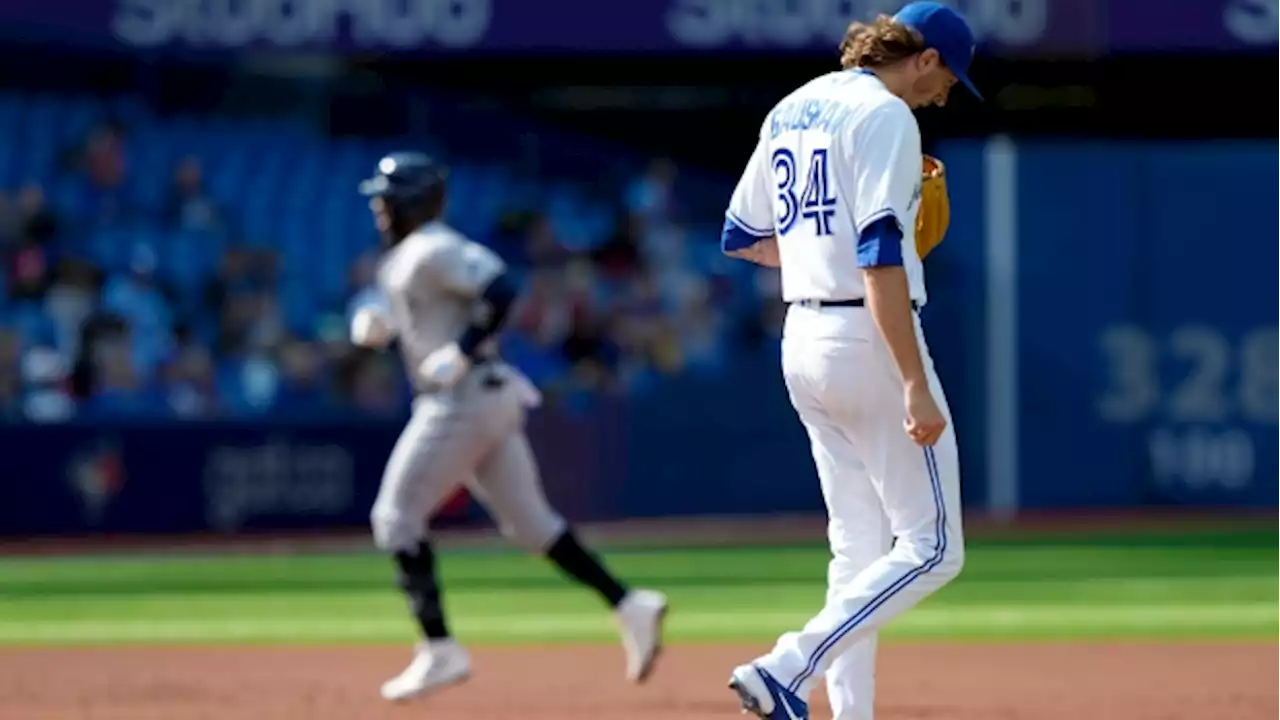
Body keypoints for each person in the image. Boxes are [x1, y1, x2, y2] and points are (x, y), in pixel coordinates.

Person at [717, 4, 977, 719]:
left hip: (802, 340)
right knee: (933, 548)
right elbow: (881, 254)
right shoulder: (887, 115)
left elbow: (741, 236)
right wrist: (915, 384)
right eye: (949, 75)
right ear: (923, 58)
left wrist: (815, 254)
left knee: (858, 548)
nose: (947, 92)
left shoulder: (792, 107)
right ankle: (787, 665)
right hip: (867, 339)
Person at [349, 152, 668, 703]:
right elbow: (440, 315)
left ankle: (440, 649)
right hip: (485, 397)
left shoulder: (433, 245)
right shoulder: (406, 257)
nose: (379, 207)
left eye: (387, 197)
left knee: (395, 518)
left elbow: (499, 288)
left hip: (462, 401)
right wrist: (391, 328)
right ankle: (628, 603)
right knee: (533, 527)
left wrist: (462, 351)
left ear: (412, 200)